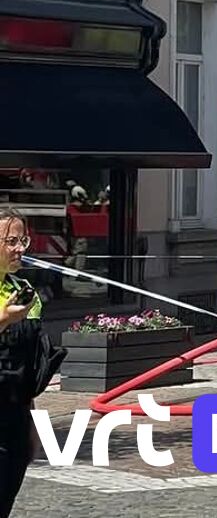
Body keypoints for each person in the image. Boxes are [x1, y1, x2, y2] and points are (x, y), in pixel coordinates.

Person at [0, 207, 60, 516]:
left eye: (22, 239)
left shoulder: (24, 294)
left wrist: (32, 426)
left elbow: (27, 364)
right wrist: (3, 320)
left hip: (14, 414)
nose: (20, 248)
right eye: (10, 241)